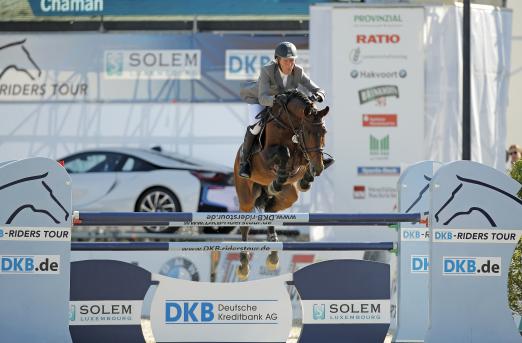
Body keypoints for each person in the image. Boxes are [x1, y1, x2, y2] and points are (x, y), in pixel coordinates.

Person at [238, 41, 334, 179]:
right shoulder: (267, 70)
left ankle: (315, 156)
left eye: (292, 60)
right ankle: (244, 161)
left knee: (305, 123)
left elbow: (318, 89)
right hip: (260, 100)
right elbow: (263, 97)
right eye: (286, 61)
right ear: (277, 60)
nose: (290, 64)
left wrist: (319, 94)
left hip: (283, 104)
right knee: (256, 125)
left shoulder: (298, 71)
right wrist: (276, 99)